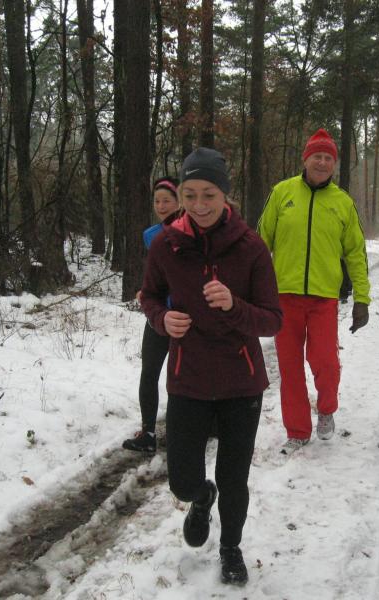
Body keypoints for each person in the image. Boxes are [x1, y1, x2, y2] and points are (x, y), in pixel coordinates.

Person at [140, 147, 282, 585]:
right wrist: (162, 318)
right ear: (180, 195)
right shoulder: (166, 244)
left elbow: (272, 319)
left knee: (234, 478)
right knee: (182, 481)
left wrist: (234, 306)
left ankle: (231, 548)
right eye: (190, 195)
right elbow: (148, 295)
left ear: (225, 195)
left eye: (209, 195)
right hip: (189, 379)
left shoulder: (251, 247)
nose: (199, 205)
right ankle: (201, 498)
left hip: (242, 382)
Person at [257, 128, 370, 453]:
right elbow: (260, 242)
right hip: (284, 297)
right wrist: (253, 285)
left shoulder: (342, 203)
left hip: (323, 299)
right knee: (290, 368)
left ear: (334, 164)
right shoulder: (282, 193)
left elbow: (356, 253)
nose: (322, 162)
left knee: (325, 362)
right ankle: (297, 430)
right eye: (316, 156)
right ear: (305, 159)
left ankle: (327, 408)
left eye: (328, 158)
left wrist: (362, 298)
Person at [123, 176, 181, 454]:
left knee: (182, 377)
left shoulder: (190, 231)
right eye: (157, 201)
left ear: (179, 202)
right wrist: (145, 292)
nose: (161, 205)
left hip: (183, 317)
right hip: (157, 317)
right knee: (149, 373)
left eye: (167, 200)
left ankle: (191, 428)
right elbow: (154, 274)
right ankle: (147, 432)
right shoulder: (151, 235)